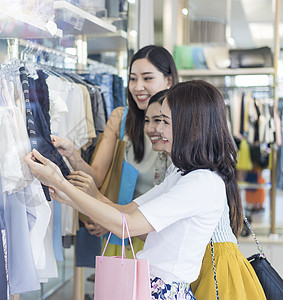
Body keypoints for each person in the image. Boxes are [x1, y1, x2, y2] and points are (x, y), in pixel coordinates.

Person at [25, 80, 243, 298]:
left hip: (163, 291)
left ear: (191, 126)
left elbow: (126, 225)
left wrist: (61, 183)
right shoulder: (181, 174)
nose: (157, 129)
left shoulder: (202, 183)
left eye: (165, 121)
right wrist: (70, 197)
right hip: (151, 285)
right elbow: (126, 211)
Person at [51, 45, 178, 256]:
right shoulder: (121, 118)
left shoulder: (184, 124)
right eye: (133, 79)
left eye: (147, 78)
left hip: (160, 238)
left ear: (169, 81)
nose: (138, 87)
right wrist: (72, 153)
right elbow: (96, 177)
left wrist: (113, 219)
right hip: (121, 237)